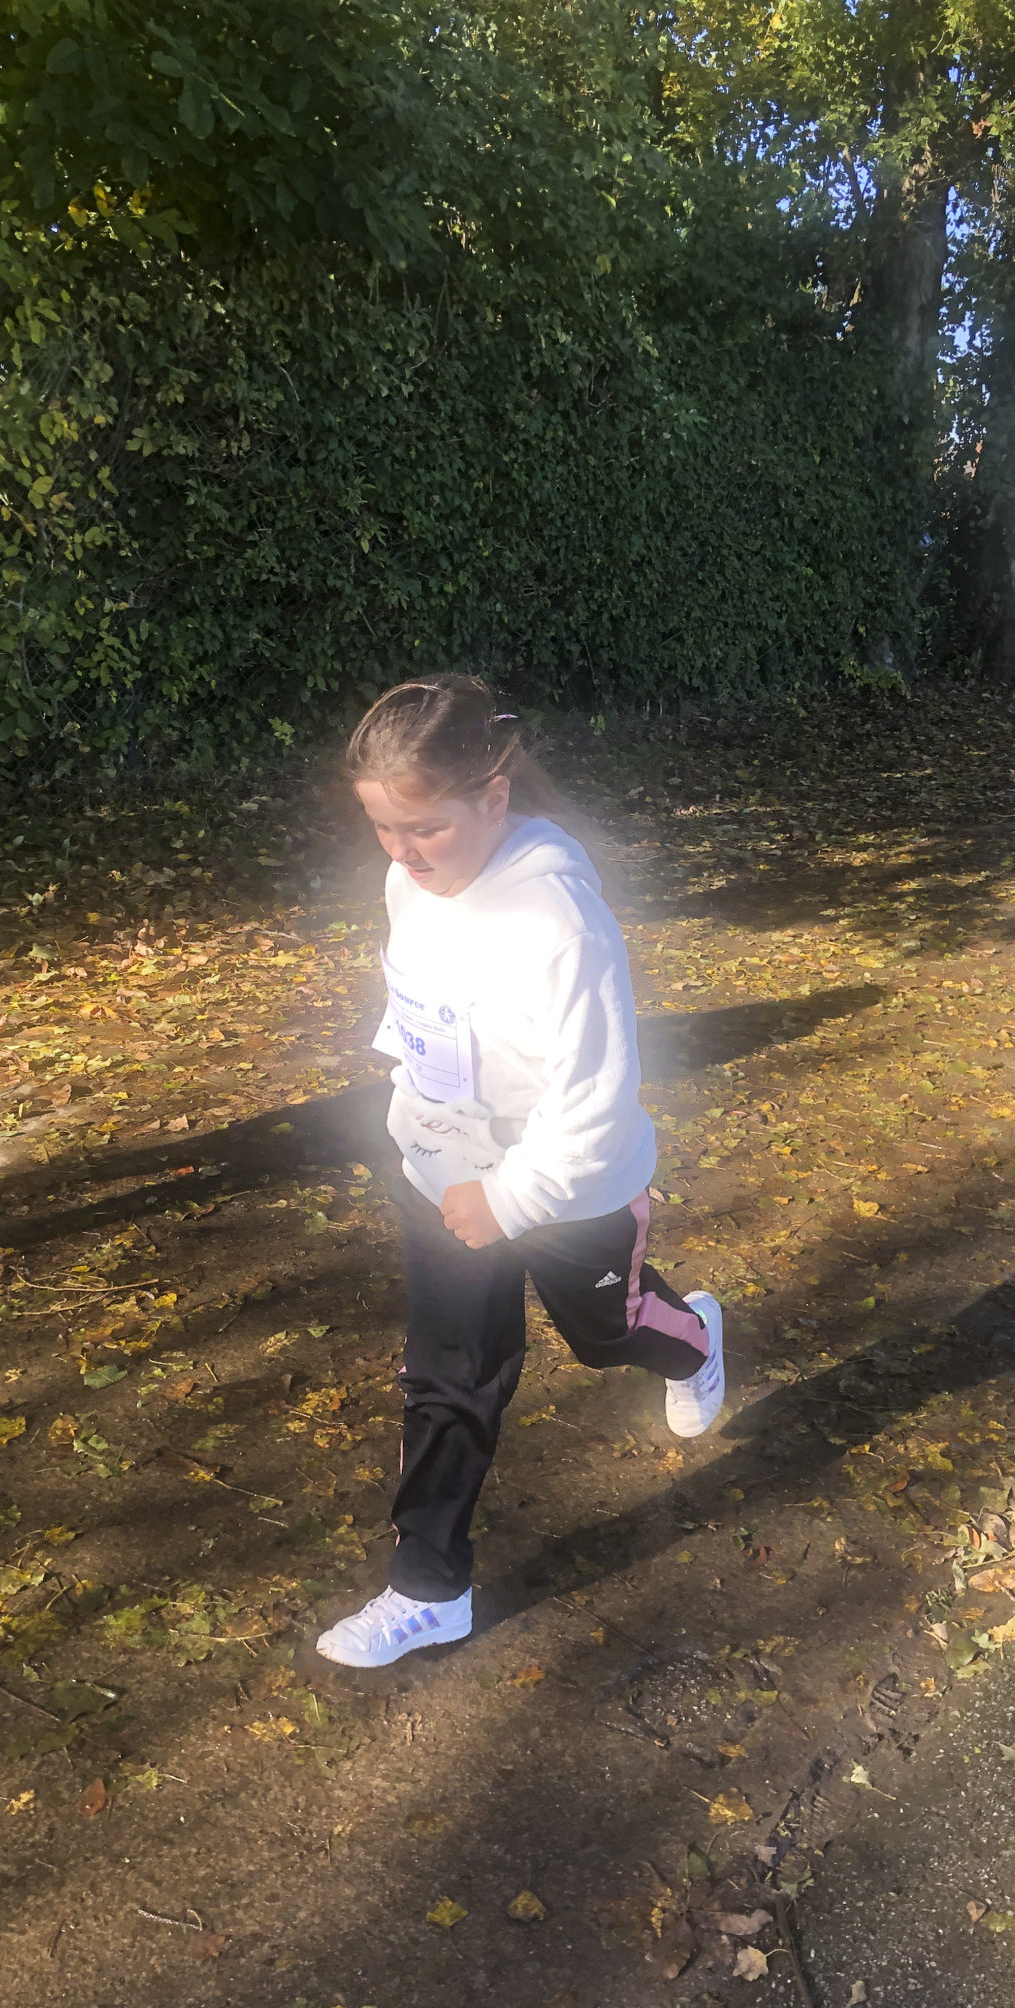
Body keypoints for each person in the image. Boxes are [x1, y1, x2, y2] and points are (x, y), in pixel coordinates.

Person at [316, 674, 725, 1670]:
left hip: (569, 1186)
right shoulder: (409, 884)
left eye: (425, 828)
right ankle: (429, 1589)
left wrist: (507, 1199)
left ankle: (696, 1341)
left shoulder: (559, 922)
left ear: (494, 796)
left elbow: (597, 1100)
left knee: (605, 1333)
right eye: (383, 828)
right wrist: (417, 1110)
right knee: (449, 1374)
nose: (404, 854)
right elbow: (417, 1000)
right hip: (442, 1167)